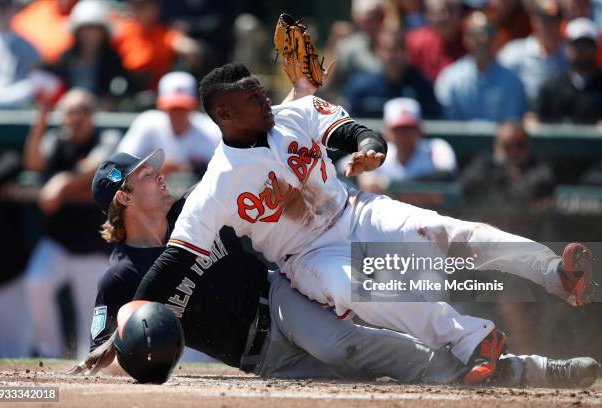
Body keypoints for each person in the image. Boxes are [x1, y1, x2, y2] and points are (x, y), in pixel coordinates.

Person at [132, 62, 595, 385]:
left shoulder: (295, 113)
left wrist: (370, 146)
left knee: (451, 233)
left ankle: (554, 271)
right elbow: (175, 260)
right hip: (309, 255)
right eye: (251, 99)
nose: (264, 100)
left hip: (356, 211)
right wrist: (131, 314)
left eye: (261, 91)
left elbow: (353, 131)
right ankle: (476, 341)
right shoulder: (218, 184)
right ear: (224, 114)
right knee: (365, 286)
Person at [72, 148, 600, 387]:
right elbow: (99, 350)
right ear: (122, 197)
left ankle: (523, 365)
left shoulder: (199, 207)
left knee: (356, 345)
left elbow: (270, 185)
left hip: (280, 301)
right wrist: (122, 351)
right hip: (261, 361)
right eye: (146, 175)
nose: (159, 176)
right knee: (376, 376)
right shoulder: (120, 275)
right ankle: (507, 368)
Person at [22, 89, 120, 358]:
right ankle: (49, 353)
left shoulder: (107, 137)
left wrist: (62, 184)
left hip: (94, 246)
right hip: (58, 241)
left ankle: (85, 363)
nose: (75, 118)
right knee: (36, 282)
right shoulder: (57, 140)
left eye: (82, 111)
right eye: (70, 112)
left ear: (92, 115)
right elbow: (34, 164)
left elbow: (101, 166)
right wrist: (38, 127)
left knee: (90, 317)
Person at [460, 121, 555, 238]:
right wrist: (504, 170)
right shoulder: (484, 163)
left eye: (520, 145)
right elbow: (468, 184)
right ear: (497, 145)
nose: (514, 151)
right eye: (507, 146)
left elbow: (543, 184)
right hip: (488, 235)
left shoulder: (537, 165)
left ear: (528, 145)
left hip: (527, 236)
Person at [340, 97, 456, 193]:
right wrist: (362, 175)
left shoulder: (435, 148)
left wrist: (391, 185)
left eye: (409, 128)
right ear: (387, 132)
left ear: (420, 130)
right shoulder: (378, 153)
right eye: (398, 129)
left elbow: (447, 174)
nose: (404, 135)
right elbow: (342, 167)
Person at [116, 71, 221, 176]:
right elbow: (119, 165)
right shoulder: (147, 123)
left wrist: (188, 168)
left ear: (194, 105)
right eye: (172, 108)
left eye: (183, 108)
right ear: (161, 106)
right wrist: (150, 165)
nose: (177, 114)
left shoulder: (212, 129)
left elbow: (225, 173)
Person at [435, 11, 528, 122]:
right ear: (466, 38)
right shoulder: (450, 78)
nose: (483, 39)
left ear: (495, 37)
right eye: (476, 34)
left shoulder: (512, 81)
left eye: (488, 32)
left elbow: (512, 126)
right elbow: (449, 124)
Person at [0, 124, 33, 357]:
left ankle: (19, 396)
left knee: (16, 358)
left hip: (10, 282)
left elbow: (14, 163)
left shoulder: (7, 160)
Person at [50, 0, 134, 110]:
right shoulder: (66, 58)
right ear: (78, 31)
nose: (91, 34)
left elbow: (125, 89)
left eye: (95, 29)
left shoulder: (113, 60)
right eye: (86, 29)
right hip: (70, 113)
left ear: (103, 32)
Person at [344, 28, 440, 118]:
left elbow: (433, 123)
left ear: (405, 52)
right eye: (386, 50)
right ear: (377, 52)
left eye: (395, 49)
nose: (390, 56)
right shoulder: (361, 86)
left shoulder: (423, 86)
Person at [111, 0, 203, 90]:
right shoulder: (121, 31)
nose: (144, 10)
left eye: (147, 4)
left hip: (160, 93)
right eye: (137, 5)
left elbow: (186, 46)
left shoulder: (163, 33)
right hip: (127, 90)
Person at [497, 0, 569, 102]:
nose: (551, 27)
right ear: (535, 22)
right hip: (525, 114)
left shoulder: (569, 54)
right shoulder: (514, 53)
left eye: (555, 21)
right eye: (546, 21)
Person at [534, 18, 602, 124]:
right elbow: (536, 122)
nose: (582, 51)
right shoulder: (551, 89)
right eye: (577, 45)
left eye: (587, 45)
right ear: (567, 47)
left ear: (595, 48)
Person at [405, 0, 466, 82]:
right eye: (438, 12)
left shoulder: (471, 38)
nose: (445, 17)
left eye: (450, 10)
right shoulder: (416, 43)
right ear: (427, 16)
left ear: (460, 12)